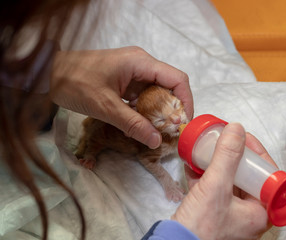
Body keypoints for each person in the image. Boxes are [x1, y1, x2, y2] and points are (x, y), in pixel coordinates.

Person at [1, 0, 272, 239]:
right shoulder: (146, 138)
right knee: (95, 138)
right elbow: (146, 156)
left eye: (177, 106)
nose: (178, 120)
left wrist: (55, 68)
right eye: (165, 122)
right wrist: (191, 230)